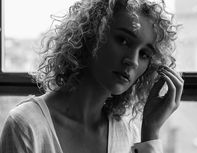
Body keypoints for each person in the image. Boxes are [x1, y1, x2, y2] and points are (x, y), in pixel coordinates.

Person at [0, 0, 184, 153]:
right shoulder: (27, 125)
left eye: (144, 54)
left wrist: (151, 131)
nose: (133, 61)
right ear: (91, 35)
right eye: (123, 40)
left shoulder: (126, 133)